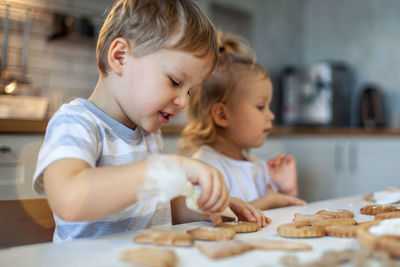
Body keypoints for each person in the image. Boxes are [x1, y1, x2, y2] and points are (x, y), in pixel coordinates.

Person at [33, 0, 267, 243]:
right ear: (121, 56)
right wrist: (162, 170)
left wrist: (204, 206)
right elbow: (69, 200)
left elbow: (158, 211)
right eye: (176, 82)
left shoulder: (148, 133)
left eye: (189, 91)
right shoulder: (75, 122)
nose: (183, 102)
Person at [179, 32, 306, 210]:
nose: (271, 115)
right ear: (222, 115)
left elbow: (282, 217)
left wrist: (287, 191)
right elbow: (210, 220)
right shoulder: (204, 168)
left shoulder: (259, 166)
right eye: (261, 107)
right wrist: (267, 203)